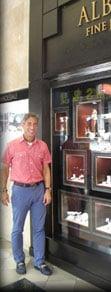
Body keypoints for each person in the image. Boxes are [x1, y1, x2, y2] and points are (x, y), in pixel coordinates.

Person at [1, 113, 53, 276]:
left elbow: (46, 169)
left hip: (38, 190)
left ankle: (39, 262)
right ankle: (20, 260)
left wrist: (48, 190)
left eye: (35, 124)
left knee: (39, 229)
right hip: (19, 191)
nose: (32, 127)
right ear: (22, 125)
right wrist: (3, 190)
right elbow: (4, 169)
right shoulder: (12, 145)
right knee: (17, 228)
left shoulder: (43, 146)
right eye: (29, 123)